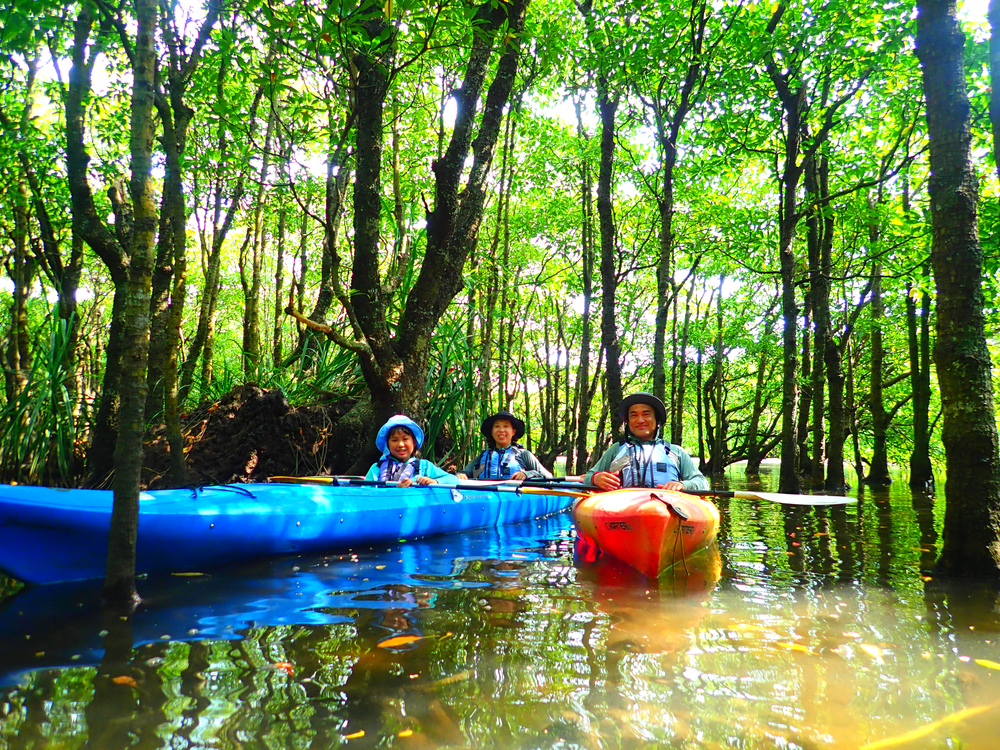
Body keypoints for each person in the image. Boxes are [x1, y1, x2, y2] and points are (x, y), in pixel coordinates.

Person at [585, 392, 709, 492]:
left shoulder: (675, 451)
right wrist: (596, 478)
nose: (640, 420)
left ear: (657, 420)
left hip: (666, 506)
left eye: (646, 414)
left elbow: (701, 482)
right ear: (628, 422)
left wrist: (682, 484)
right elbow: (588, 477)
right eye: (634, 415)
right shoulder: (617, 449)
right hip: (624, 507)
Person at [457, 410, 553, 481]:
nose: (501, 430)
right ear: (492, 432)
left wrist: (526, 474)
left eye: (506, 426)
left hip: (515, 498)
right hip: (488, 498)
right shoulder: (483, 457)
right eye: (497, 426)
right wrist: (461, 475)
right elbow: (466, 473)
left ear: (513, 432)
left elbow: (548, 476)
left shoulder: (523, 455)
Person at [365, 415, 458, 486]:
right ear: (387, 445)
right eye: (394, 440)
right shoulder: (377, 468)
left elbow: (453, 480)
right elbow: (366, 492)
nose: (401, 444)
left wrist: (434, 481)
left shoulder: (424, 466)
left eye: (405, 439)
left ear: (414, 442)